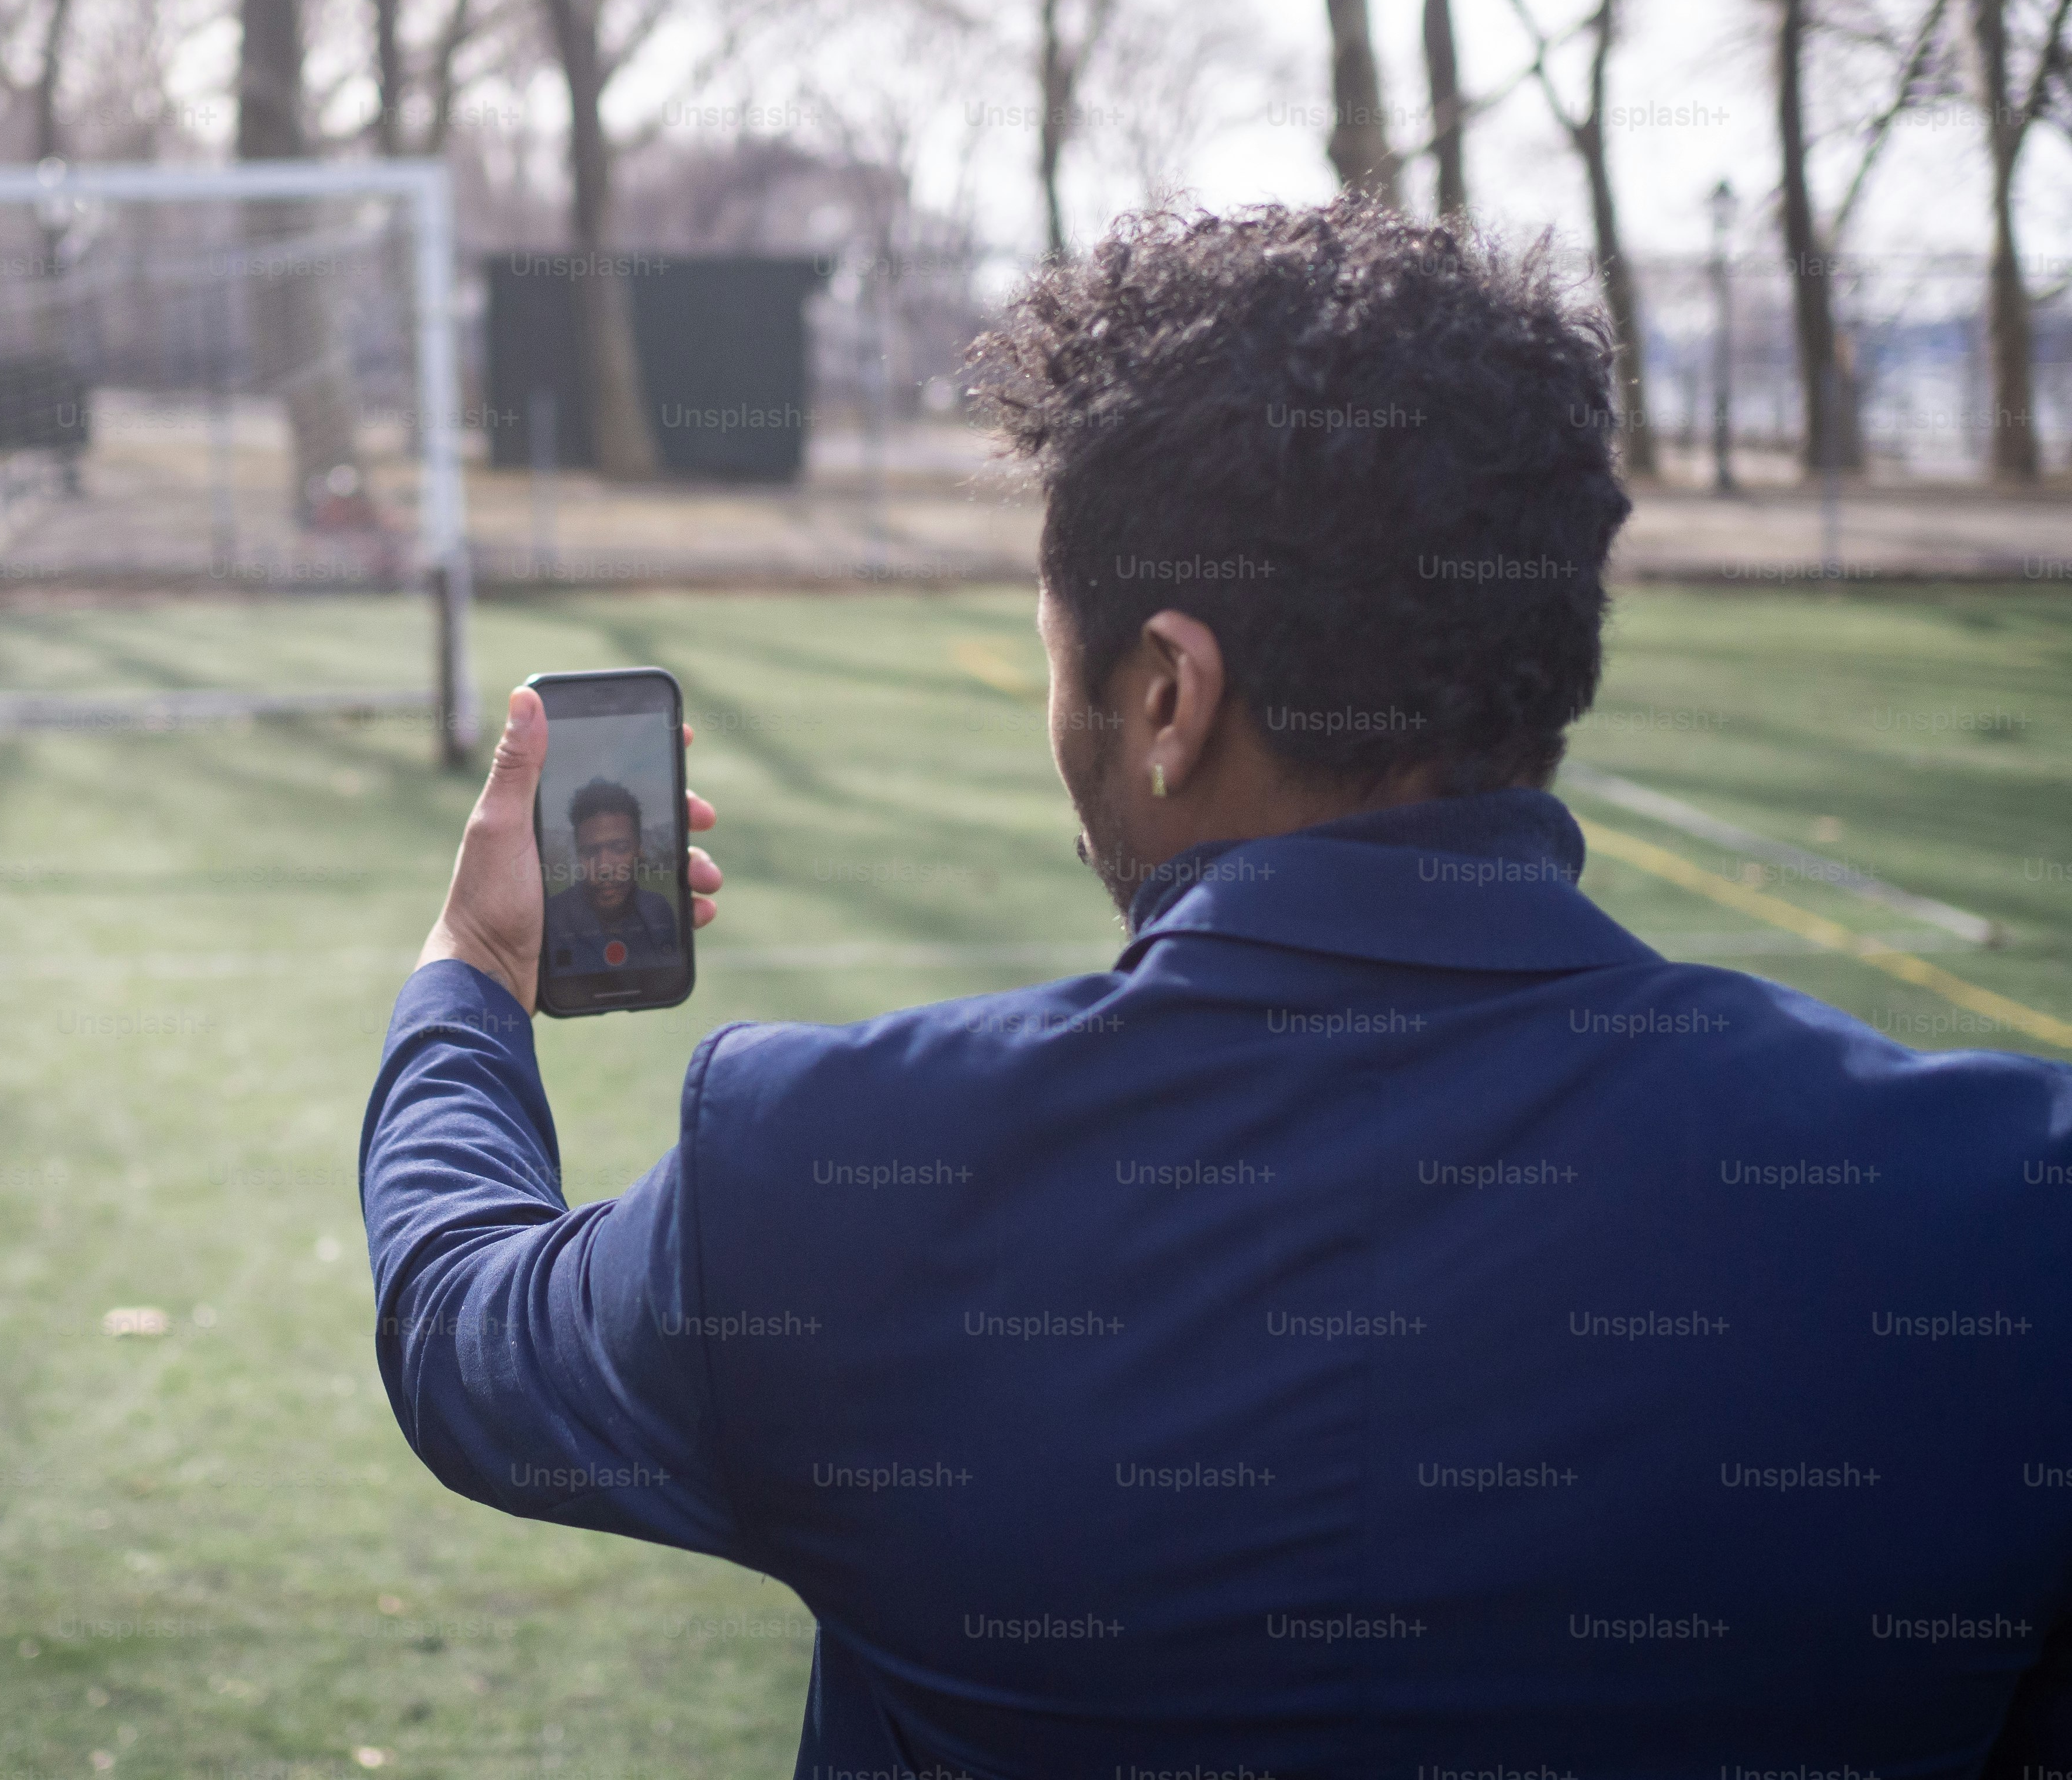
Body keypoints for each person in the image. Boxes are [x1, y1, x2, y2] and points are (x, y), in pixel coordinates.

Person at [359, 199, 2072, 1777]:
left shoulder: (832, 1177)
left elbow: (461, 1333)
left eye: (1059, 663)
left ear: (1169, 696)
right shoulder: (2006, 1214)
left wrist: (478, 976)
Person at [541, 776, 681, 973]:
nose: (604, 868)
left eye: (620, 848)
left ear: (639, 849)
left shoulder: (658, 910)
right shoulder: (551, 918)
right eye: (590, 852)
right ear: (579, 856)